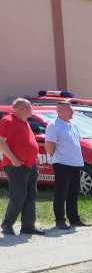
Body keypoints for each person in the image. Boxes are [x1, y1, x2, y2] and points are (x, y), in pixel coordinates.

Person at [0, 98, 44, 235]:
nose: (32, 110)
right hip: (16, 166)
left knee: (31, 195)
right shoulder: (8, 121)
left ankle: (28, 226)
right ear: (21, 108)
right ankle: (7, 224)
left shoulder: (25, 122)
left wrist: (32, 155)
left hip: (30, 165)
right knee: (18, 195)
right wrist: (14, 159)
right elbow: (1, 142)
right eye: (30, 108)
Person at [45, 100, 86, 230]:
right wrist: (53, 156)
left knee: (73, 193)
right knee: (61, 193)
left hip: (75, 163)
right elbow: (49, 144)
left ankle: (74, 219)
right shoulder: (54, 125)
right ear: (60, 111)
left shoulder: (73, 125)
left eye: (71, 109)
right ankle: (60, 220)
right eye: (69, 109)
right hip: (62, 163)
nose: (72, 111)